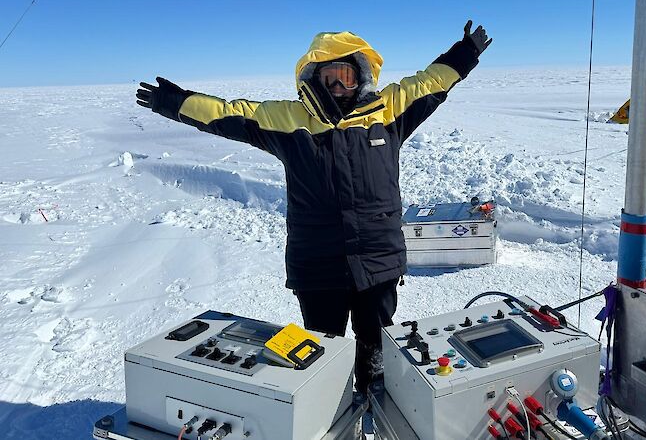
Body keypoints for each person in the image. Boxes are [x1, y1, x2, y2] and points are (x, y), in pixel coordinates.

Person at [136, 21, 491, 393]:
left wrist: (465, 54)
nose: (338, 87)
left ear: (361, 78)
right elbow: (229, 113)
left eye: (346, 77)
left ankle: (376, 402)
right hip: (319, 265)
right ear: (312, 79)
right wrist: (177, 104)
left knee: (377, 345)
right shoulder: (289, 121)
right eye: (329, 79)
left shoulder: (387, 113)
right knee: (323, 353)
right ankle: (330, 413)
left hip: (379, 259)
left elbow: (429, 84)